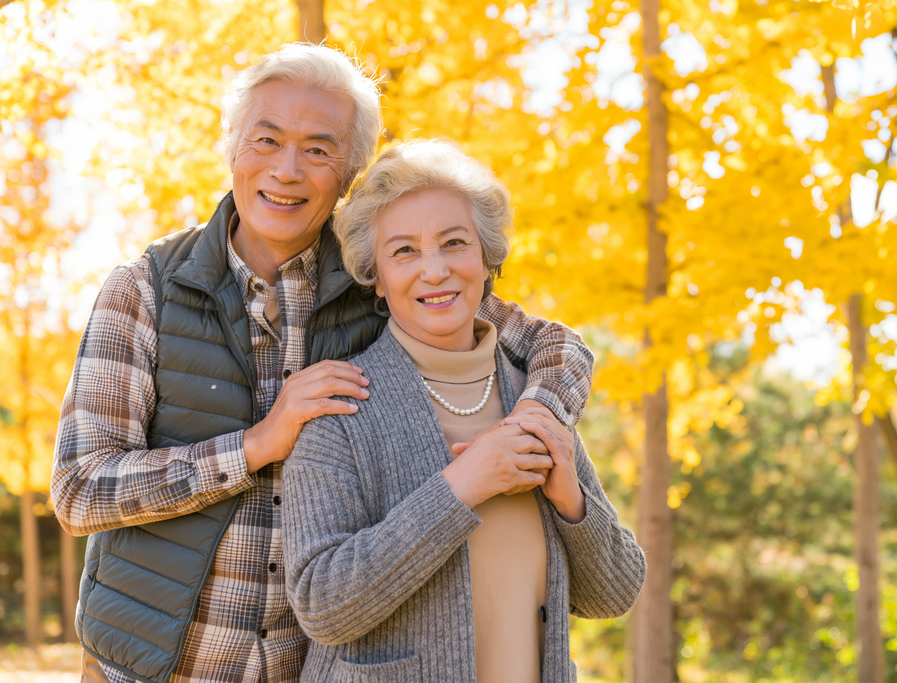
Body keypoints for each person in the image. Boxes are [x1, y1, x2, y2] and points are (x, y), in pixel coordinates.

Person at [52, 45, 596, 683]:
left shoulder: (384, 278)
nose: (287, 170)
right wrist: (255, 445)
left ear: (349, 173)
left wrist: (532, 421)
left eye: (318, 149)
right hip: (147, 670)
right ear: (232, 147)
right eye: (267, 139)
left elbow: (559, 348)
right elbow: (80, 489)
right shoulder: (143, 290)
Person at [283, 139, 645, 682]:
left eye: (454, 243)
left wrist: (570, 497)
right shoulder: (341, 407)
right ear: (376, 277)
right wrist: (462, 486)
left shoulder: (534, 395)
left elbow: (614, 593)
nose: (434, 271)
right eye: (404, 251)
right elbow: (322, 605)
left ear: (484, 257)